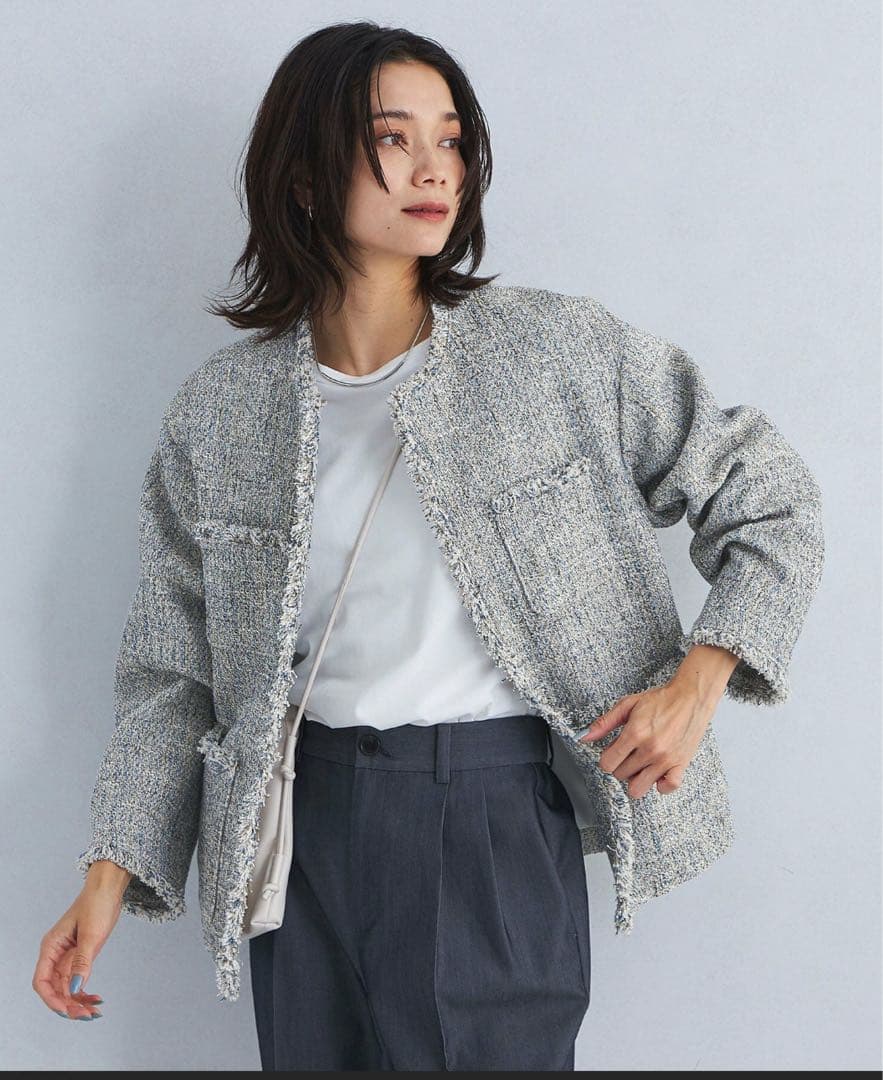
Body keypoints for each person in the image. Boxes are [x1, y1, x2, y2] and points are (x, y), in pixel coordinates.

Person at [32, 20, 825, 1072]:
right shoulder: (221, 411)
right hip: (297, 834)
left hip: (485, 821)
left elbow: (768, 497)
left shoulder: (551, 351)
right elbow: (172, 672)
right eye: (392, 138)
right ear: (305, 177)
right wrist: (108, 873)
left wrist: (698, 683)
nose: (434, 168)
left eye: (449, 139)